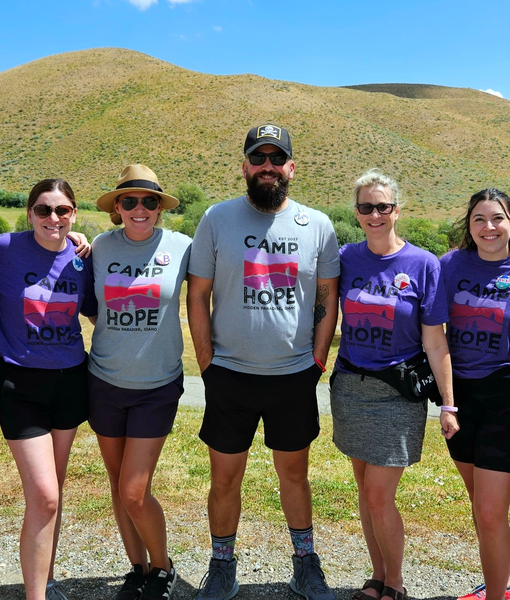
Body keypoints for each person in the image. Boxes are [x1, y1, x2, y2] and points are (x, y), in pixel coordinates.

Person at [187, 124, 340, 600]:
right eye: (259, 158)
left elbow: (327, 296)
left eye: (277, 158)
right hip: (229, 375)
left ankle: (305, 564)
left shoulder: (317, 225)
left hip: (293, 376)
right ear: (245, 167)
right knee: (224, 478)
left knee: (294, 474)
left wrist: (317, 360)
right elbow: (198, 295)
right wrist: (207, 364)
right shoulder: (217, 218)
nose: (267, 166)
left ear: (292, 167)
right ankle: (222, 566)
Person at [329, 169, 458, 600]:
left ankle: (396, 584)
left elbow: (435, 340)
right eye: (366, 207)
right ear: (357, 212)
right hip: (351, 388)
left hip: (397, 395)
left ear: (397, 210)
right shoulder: (346, 258)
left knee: (378, 495)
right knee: (366, 493)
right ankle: (378, 576)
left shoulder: (423, 264)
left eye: (383, 206)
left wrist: (448, 404)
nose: (375, 214)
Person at [0, 178, 97, 600]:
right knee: (45, 495)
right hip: (21, 382)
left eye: (62, 210)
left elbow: (94, 312)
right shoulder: (3, 249)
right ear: (30, 212)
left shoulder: (82, 259)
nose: (53, 218)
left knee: (53, 490)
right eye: (44, 209)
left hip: (70, 379)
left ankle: (45, 581)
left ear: (74, 215)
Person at [439, 189, 510, 600]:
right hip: (461, 399)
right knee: (482, 506)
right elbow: (430, 325)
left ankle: (498, 594)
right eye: (479, 219)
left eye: (497, 218)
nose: (488, 227)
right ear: (469, 226)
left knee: (489, 510)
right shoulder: (450, 264)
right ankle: (501, 584)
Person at [88, 164, 191, 600]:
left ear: (160, 207)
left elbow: (213, 291)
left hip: (156, 385)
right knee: (118, 486)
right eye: (129, 201)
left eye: (149, 201)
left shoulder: (182, 247)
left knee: (134, 490)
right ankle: (137, 568)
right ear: (117, 206)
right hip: (104, 381)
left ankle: (163, 567)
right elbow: (90, 304)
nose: (139, 208)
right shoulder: (98, 246)